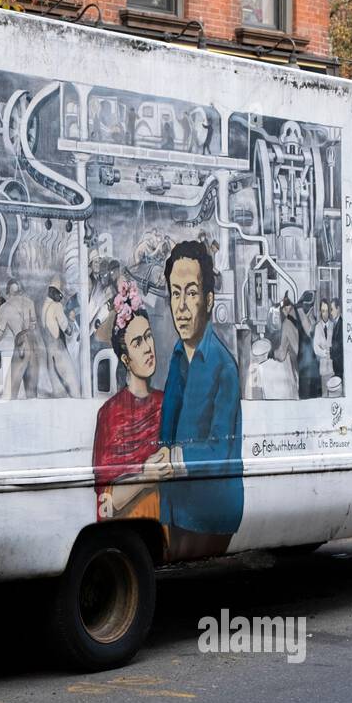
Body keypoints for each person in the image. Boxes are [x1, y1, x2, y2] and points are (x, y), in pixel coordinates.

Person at [159, 240, 244, 560]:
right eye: (175, 292)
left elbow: (219, 449)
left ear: (208, 301)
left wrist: (172, 459)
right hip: (175, 507)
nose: (180, 306)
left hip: (211, 509)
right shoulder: (177, 358)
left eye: (191, 293)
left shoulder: (223, 366)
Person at [93, 280, 172, 520]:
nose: (148, 348)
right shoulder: (109, 413)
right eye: (138, 342)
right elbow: (104, 502)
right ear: (125, 360)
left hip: (167, 524)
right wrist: (145, 476)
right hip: (128, 527)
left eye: (148, 337)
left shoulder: (165, 403)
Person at [0, 279, 46, 399]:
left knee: (11, 391)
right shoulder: (29, 302)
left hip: (21, 343)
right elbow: (33, 325)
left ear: (8, 293)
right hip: (34, 343)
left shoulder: (4, 308)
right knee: (32, 393)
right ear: (20, 291)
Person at [41, 277, 81, 398]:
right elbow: (66, 329)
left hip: (49, 351)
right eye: (59, 293)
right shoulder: (56, 306)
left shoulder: (44, 306)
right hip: (58, 348)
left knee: (58, 390)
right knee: (72, 382)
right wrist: (72, 322)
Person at [313, 298, 334, 382]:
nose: (325, 313)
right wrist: (325, 353)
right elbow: (316, 347)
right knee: (325, 391)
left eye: (326, 310)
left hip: (333, 366)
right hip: (323, 367)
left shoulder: (333, 326)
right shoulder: (317, 327)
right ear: (320, 312)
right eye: (323, 311)